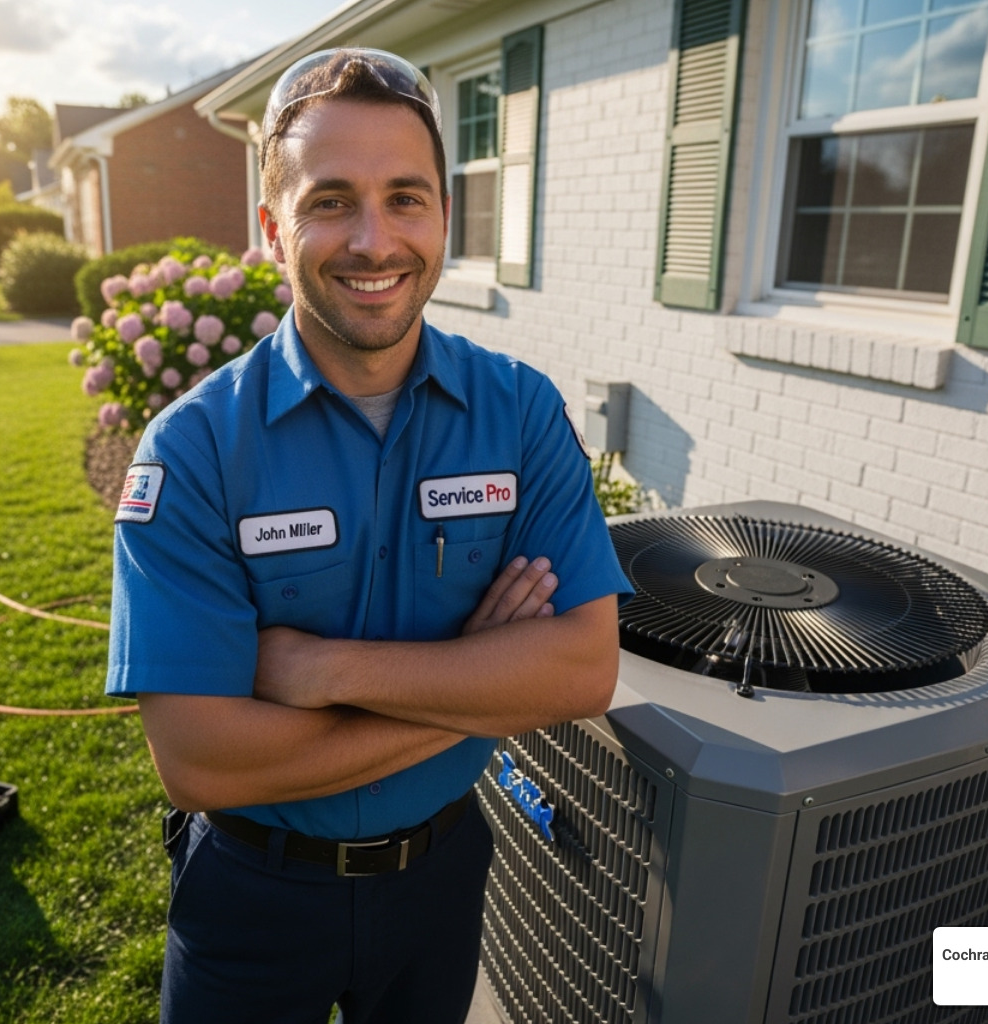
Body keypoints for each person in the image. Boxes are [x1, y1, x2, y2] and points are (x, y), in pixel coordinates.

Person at [105, 47, 629, 1024]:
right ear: (271, 229)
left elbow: (580, 671)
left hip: (441, 877)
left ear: (444, 216)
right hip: (252, 898)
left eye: (406, 198)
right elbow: (202, 760)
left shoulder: (519, 414)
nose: (374, 239)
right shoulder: (194, 451)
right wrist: (479, 686)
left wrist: (323, 668)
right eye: (331, 200)